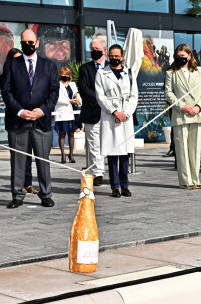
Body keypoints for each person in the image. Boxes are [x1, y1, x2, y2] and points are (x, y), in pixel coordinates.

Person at [0, 29, 59, 208]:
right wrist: (19, 111)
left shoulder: (49, 66)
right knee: (18, 160)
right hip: (18, 121)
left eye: (31, 42)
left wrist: (43, 110)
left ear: (37, 43)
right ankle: (17, 195)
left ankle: (46, 194)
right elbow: (6, 91)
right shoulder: (11, 65)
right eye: (24, 42)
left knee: (43, 159)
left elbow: (54, 91)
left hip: (41, 120)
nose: (28, 45)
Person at [164, 43, 201, 188]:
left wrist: (198, 106)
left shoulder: (200, 71)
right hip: (180, 115)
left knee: (195, 149)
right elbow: (168, 93)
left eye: (183, 56)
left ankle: (196, 179)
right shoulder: (171, 73)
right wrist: (182, 106)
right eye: (177, 57)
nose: (180, 59)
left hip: (196, 114)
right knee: (182, 149)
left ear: (189, 56)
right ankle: (186, 181)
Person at [95, 44, 138, 197]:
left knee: (125, 152)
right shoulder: (101, 73)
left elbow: (134, 96)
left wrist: (126, 113)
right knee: (113, 152)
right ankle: (115, 186)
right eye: (111, 55)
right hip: (110, 116)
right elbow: (100, 96)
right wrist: (114, 111)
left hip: (125, 117)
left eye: (117, 55)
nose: (114, 58)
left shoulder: (130, 73)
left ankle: (125, 184)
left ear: (122, 56)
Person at [5, 48, 39, 195]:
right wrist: (19, 111)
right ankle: (18, 186)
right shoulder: (7, 74)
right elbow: (7, 96)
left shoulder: (29, 75)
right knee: (17, 156)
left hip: (30, 118)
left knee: (28, 154)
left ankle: (28, 182)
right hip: (15, 119)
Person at [77, 37, 107, 186]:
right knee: (94, 144)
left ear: (104, 50)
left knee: (108, 143)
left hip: (110, 113)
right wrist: (100, 99)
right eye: (92, 49)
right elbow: (83, 88)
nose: (95, 52)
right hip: (92, 111)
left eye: (98, 49)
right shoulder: (85, 69)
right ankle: (98, 173)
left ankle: (111, 170)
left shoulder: (112, 67)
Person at [54, 67, 80, 163]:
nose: (65, 77)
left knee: (71, 133)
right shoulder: (57, 85)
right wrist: (69, 101)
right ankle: (63, 155)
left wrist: (77, 100)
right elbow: (56, 99)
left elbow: (77, 95)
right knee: (62, 133)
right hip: (61, 111)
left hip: (72, 112)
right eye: (63, 75)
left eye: (67, 75)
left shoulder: (72, 84)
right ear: (60, 76)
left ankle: (71, 155)